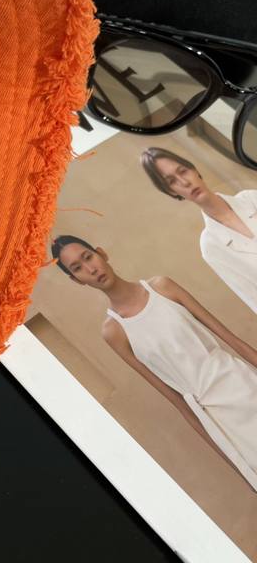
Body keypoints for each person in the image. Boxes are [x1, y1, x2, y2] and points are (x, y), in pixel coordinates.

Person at [51, 234, 257, 491]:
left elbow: (232, 339)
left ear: (101, 253)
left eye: (88, 257)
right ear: (76, 280)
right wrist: (239, 468)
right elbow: (178, 403)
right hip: (219, 419)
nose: (91, 269)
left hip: (243, 383)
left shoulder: (162, 287)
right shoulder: (114, 332)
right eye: (78, 268)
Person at [141, 146, 257, 313]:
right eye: (172, 181)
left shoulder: (251, 198)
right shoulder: (210, 245)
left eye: (183, 171)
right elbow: (251, 296)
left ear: (194, 170)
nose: (185, 182)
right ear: (170, 192)